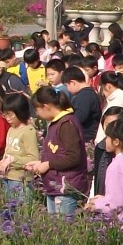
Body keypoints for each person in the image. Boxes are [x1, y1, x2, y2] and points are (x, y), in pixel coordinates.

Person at [28, 86, 89, 217]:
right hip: (55, 186)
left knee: (65, 227)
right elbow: (57, 153)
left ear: (46, 107)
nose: (37, 114)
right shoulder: (57, 122)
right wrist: (41, 163)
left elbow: (73, 157)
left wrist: (48, 164)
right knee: (55, 227)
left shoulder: (67, 124)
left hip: (66, 188)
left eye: (37, 109)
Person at [0, 93, 39, 197]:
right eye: (5, 115)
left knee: (22, 206)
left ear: (21, 111)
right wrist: (0, 164)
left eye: (10, 114)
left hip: (21, 180)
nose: (7, 118)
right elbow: (7, 153)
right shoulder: (11, 129)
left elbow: (33, 158)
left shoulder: (28, 131)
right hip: (7, 176)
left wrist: (12, 160)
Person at [64, 67, 101, 144]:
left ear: (72, 83)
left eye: (66, 85)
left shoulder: (84, 95)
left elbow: (78, 118)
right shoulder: (87, 93)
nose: (67, 89)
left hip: (87, 139)